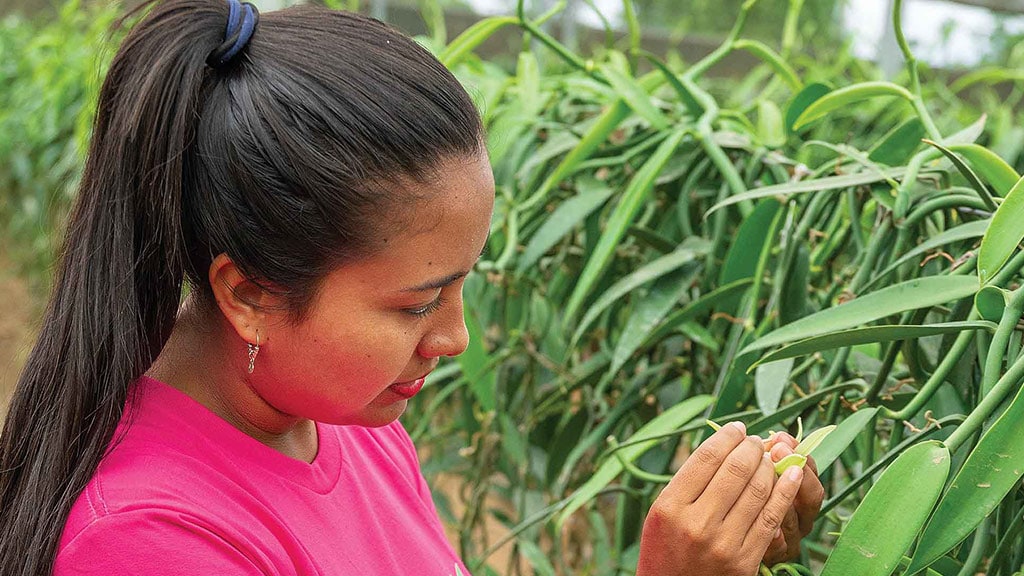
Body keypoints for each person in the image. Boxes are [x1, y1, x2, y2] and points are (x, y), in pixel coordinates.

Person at [0, 1, 825, 574]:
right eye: (416, 303)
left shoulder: (345, 419)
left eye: (461, 286)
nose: (454, 339)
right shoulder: (150, 541)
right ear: (250, 295)